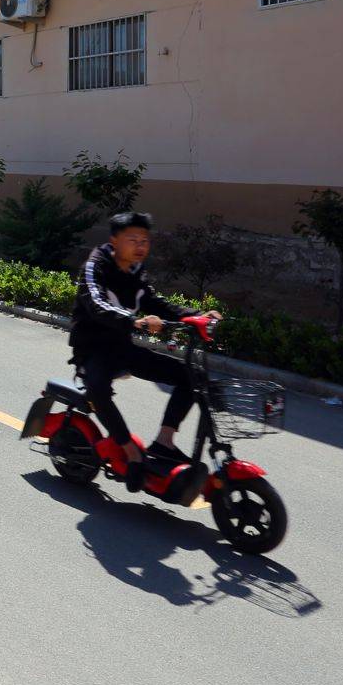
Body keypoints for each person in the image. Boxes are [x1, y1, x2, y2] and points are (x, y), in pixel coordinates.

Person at [69, 211, 222, 499]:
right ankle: (130, 451)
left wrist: (197, 317)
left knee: (191, 375)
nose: (140, 246)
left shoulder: (136, 271)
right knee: (98, 389)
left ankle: (164, 442)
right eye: (132, 240)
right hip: (92, 347)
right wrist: (134, 321)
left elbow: (154, 302)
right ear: (114, 241)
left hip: (123, 346)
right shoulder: (95, 265)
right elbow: (96, 303)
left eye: (145, 240)